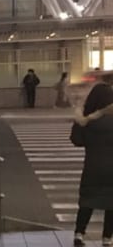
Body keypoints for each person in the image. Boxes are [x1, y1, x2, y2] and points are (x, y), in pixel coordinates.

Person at [70, 82, 113, 246]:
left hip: (93, 168)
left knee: (87, 201)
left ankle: (79, 234)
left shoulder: (88, 122)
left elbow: (76, 140)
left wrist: (80, 116)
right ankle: (107, 238)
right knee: (111, 204)